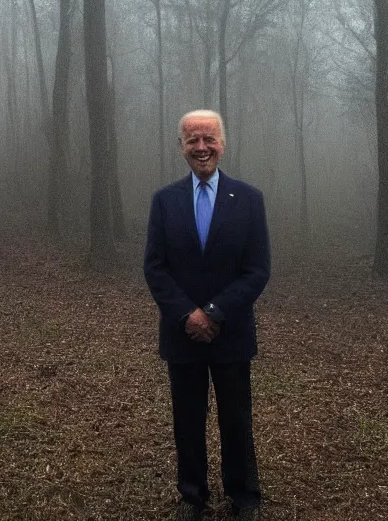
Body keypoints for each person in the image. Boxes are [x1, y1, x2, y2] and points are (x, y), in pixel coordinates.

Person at [143, 110, 270, 521]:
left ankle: (244, 494)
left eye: (209, 139)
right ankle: (192, 495)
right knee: (187, 419)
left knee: (236, 418)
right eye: (192, 140)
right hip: (182, 334)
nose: (202, 148)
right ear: (181, 146)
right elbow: (155, 267)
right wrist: (188, 315)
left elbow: (257, 269)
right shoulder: (164, 201)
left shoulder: (249, 199)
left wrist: (214, 312)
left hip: (230, 332)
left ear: (223, 143)